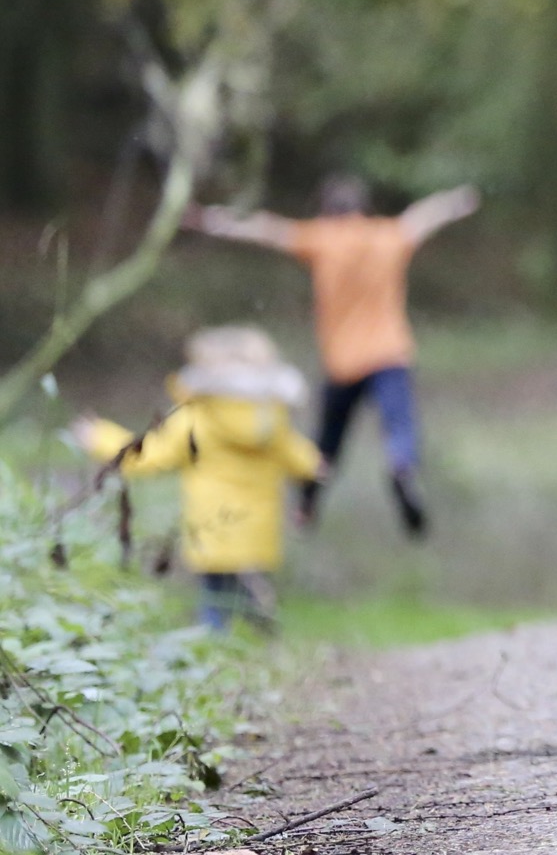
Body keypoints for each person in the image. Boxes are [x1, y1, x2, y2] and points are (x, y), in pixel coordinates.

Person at [182, 173, 480, 537]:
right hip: (390, 354)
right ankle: (402, 469)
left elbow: (265, 229)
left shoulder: (322, 239)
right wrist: (457, 200)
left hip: (343, 364)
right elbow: (423, 216)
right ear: (363, 209)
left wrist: (210, 219)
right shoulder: (387, 235)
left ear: (326, 210)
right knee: (399, 425)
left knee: (328, 441)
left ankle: (307, 505)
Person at [73, 327, 327, 631]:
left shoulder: (198, 416)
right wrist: (315, 465)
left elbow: (149, 453)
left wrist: (100, 438)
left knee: (214, 595)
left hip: (214, 526)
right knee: (240, 582)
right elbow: (297, 455)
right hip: (257, 527)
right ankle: (255, 619)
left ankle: (217, 638)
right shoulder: (270, 418)